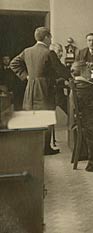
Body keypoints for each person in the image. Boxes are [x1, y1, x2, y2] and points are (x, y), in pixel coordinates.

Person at [10, 27, 72, 155]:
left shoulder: (27, 51)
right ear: (47, 37)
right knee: (47, 116)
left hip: (31, 88)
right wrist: (72, 76)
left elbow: (13, 63)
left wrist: (26, 76)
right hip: (44, 88)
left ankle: (33, 147)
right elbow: (61, 70)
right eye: (50, 38)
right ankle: (45, 148)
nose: (51, 40)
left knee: (32, 116)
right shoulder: (49, 53)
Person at [49, 43, 68, 114]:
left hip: (59, 91)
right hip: (53, 93)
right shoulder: (51, 65)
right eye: (59, 51)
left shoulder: (60, 64)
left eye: (62, 51)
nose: (61, 54)